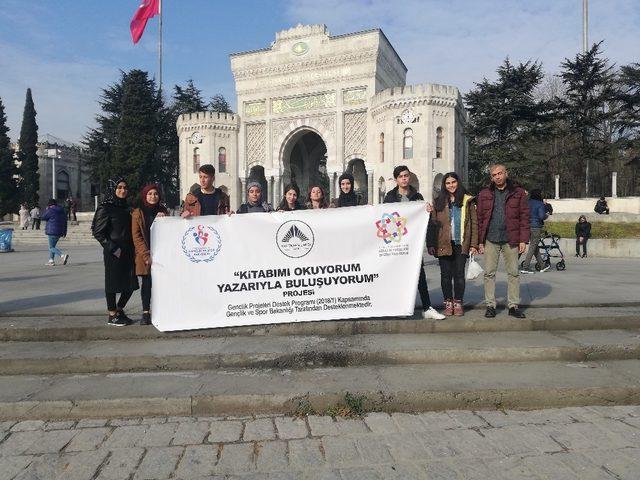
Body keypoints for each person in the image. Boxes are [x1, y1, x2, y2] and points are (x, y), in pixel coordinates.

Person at [383, 165, 445, 320]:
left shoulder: (417, 197)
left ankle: (427, 307)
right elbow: (385, 220)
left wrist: (427, 212)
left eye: (406, 175)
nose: (404, 179)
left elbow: (426, 220)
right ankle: (400, 307)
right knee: (398, 275)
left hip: (413, 243)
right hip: (397, 243)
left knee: (419, 275)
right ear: (396, 179)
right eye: (401, 176)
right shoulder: (389, 198)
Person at [476, 164, 529, 319]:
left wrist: (523, 239)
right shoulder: (484, 193)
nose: (497, 177)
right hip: (491, 239)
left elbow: (524, 217)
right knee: (489, 273)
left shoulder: (518, 193)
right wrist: (480, 241)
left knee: (513, 273)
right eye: (494, 175)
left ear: (506, 173)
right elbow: (480, 219)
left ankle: (513, 306)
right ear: (491, 177)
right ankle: (490, 305)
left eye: (500, 173)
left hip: (511, 240)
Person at [426, 172, 478, 317]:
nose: (451, 185)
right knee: (446, 275)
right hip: (443, 243)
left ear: (458, 182)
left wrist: (473, 244)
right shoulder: (438, 202)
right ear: (444, 185)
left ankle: (458, 302)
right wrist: (430, 243)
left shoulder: (468, 200)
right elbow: (432, 224)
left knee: (459, 275)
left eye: (453, 182)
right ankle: (448, 302)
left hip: (461, 243)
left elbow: (474, 223)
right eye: (447, 183)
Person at [92, 178, 139, 327]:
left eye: (125, 187)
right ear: (113, 189)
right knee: (112, 283)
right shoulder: (105, 207)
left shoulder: (128, 208)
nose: (123, 190)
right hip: (114, 251)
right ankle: (112, 314)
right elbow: (98, 232)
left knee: (131, 284)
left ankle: (119, 310)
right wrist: (113, 248)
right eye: (119, 187)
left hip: (129, 250)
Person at [131, 184, 168, 325]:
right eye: (150, 194)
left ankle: (161, 310)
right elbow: (137, 236)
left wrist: (163, 219)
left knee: (161, 283)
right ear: (145, 196)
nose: (153, 197)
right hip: (145, 255)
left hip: (161, 253)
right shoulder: (138, 212)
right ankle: (146, 312)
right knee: (147, 283)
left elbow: (169, 231)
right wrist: (146, 255)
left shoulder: (163, 211)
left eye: (156, 194)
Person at [521, 189, 549, 274]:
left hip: (526, 226)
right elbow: (541, 216)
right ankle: (525, 267)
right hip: (536, 226)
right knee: (533, 247)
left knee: (535, 246)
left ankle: (542, 265)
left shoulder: (527, 202)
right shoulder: (540, 204)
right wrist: (546, 215)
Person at [41, 199, 68, 266]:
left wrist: (47, 210)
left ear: (49, 204)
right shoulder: (62, 211)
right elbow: (65, 222)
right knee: (53, 246)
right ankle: (51, 260)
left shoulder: (50, 210)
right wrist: (64, 232)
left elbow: (43, 217)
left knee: (51, 248)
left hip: (52, 231)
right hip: (60, 231)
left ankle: (62, 255)